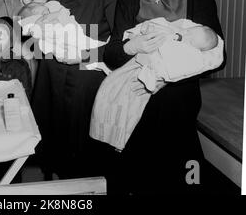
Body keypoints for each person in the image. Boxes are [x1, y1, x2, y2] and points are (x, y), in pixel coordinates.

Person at [102, 0, 225, 194]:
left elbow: (217, 56)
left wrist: (168, 75)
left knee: (183, 174)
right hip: (137, 103)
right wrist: (132, 46)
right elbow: (111, 55)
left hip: (179, 103)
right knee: (136, 177)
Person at [31, 0, 126, 180]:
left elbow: (119, 46)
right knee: (51, 140)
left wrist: (84, 55)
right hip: (52, 68)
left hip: (86, 73)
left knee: (80, 151)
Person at [90, 17, 224, 152]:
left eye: (191, 37)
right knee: (109, 89)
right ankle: (108, 135)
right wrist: (131, 46)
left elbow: (216, 56)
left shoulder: (192, 45)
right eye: (189, 32)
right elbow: (104, 38)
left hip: (173, 94)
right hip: (132, 62)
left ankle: (119, 139)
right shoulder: (175, 29)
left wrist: (165, 78)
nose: (186, 35)